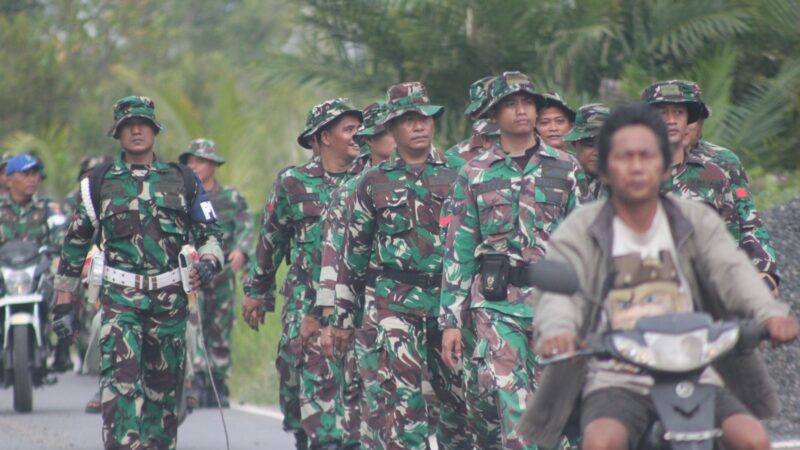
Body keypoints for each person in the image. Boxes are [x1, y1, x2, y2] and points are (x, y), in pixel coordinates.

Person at [521, 102, 799, 450]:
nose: (637, 167)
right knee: (601, 443)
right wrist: (559, 330)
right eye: (624, 157)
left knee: (753, 439)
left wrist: (770, 314)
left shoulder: (695, 220)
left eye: (646, 156)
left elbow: (734, 271)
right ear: (604, 169)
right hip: (618, 379)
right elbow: (562, 292)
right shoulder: (582, 229)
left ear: (665, 165)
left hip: (696, 370)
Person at [52, 95, 223, 450]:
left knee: (163, 396)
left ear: (154, 131)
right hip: (120, 303)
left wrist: (208, 263)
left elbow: (210, 234)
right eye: (128, 125)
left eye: (143, 124)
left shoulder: (184, 180)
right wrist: (64, 304)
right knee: (119, 389)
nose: (136, 130)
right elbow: (74, 246)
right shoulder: (97, 183)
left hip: (169, 305)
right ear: (117, 133)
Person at [439, 71, 588, 449]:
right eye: (510, 104)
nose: (521, 111)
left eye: (527, 103)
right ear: (493, 114)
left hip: (555, 305)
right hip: (496, 306)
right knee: (513, 405)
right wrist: (451, 322)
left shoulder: (566, 168)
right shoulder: (474, 174)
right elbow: (459, 248)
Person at [329, 81, 469, 449]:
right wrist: (344, 320)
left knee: (460, 401)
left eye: (424, 117)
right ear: (391, 128)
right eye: (408, 120)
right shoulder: (371, 182)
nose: (420, 126)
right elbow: (353, 255)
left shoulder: (461, 173)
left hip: (449, 303)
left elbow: (474, 243)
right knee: (406, 401)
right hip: (396, 304)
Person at [241, 98, 362, 450]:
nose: (358, 136)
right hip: (302, 301)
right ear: (324, 137)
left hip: (357, 305)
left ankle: (331, 439)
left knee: (344, 393)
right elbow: (271, 240)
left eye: (360, 128)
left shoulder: (369, 179)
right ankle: (305, 432)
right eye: (349, 129)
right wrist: (257, 291)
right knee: (295, 379)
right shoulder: (293, 183)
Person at [641, 80, 780, 296]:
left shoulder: (719, 168)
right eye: (662, 113)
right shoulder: (632, 171)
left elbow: (745, 224)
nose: (671, 121)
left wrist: (764, 270)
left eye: (679, 113)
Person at [312, 101, 395, 449]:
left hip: (419, 303)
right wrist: (331, 315)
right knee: (368, 392)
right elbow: (335, 255)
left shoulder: (438, 175)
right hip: (365, 305)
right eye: (380, 132)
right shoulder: (352, 189)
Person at [682, 81, 780, 296]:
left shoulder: (724, 161)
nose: (685, 125)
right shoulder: (640, 163)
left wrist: (765, 270)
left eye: (692, 118)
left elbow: (749, 220)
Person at [179, 138, 253, 408]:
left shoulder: (231, 198)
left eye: (199, 160)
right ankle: (197, 378)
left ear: (213, 164)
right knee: (194, 323)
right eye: (190, 161)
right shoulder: (183, 196)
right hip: (193, 274)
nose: (193, 165)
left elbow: (246, 227)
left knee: (220, 328)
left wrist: (242, 252)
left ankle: (219, 381)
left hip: (222, 275)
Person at [0, 153, 58, 248]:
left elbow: (61, 235)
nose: (32, 179)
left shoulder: (47, 208)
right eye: (25, 174)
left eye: (34, 174)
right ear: (9, 180)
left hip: (40, 261)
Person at [562, 103, 610, 200]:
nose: (597, 152)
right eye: (590, 145)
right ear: (574, 143)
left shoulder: (622, 184)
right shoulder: (562, 178)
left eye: (603, 144)